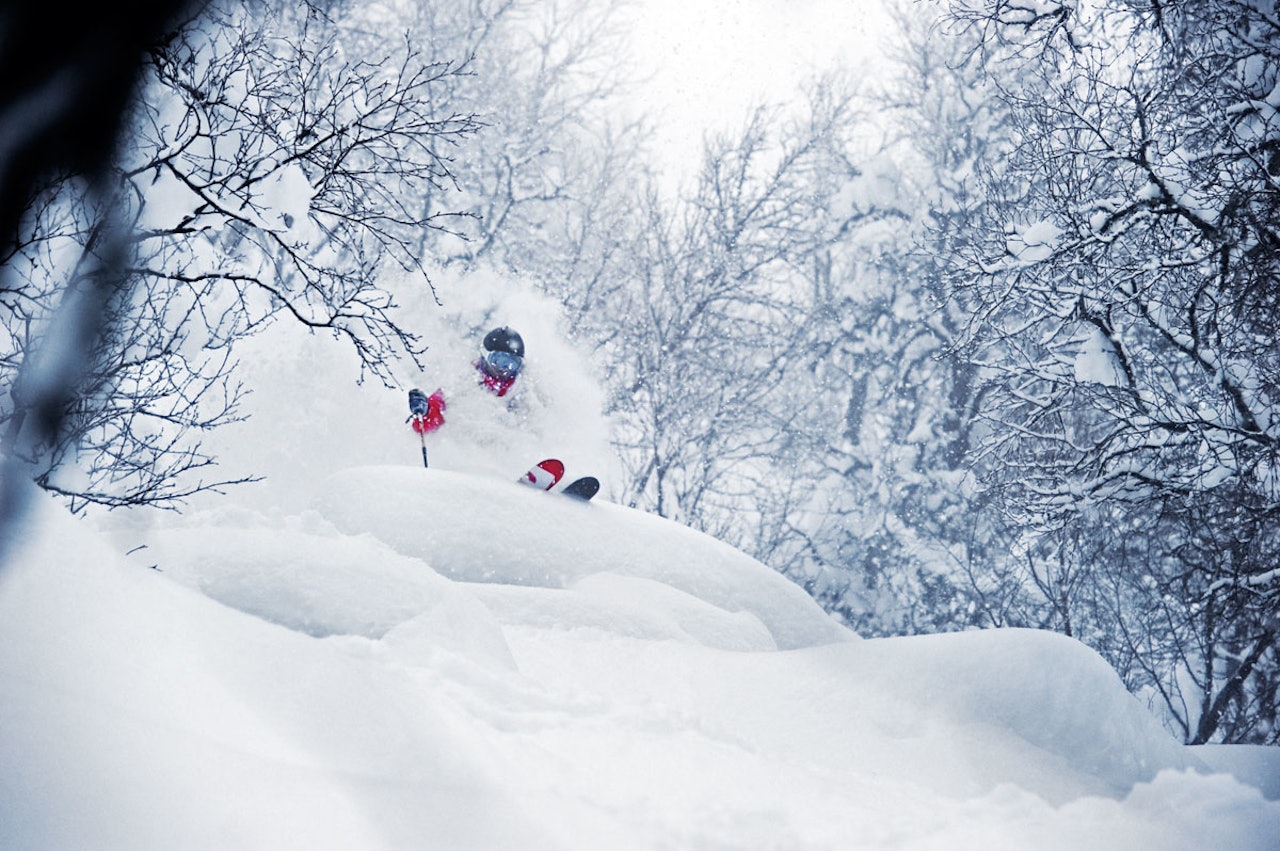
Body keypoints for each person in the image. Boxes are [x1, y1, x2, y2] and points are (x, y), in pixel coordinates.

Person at [407, 326, 525, 436]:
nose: (504, 369)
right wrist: (426, 412)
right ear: (484, 355)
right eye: (498, 360)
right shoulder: (462, 380)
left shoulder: (524, 388)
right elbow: (424, 424)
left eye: (512, 363)